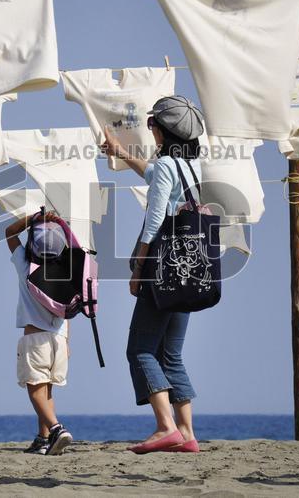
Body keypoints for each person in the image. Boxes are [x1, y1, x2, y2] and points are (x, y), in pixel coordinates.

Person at [100, 95, 206, 454]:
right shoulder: (192, 167)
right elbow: (152, 174)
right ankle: (188, 434)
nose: (151, 130)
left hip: (162, 271)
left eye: (152, 124)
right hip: (189, 271)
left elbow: (156, 218)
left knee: (140, 350)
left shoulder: (166, 167)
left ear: (161, 130)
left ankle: (165, 427)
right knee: (171, 353)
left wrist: (139, 269)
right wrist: (120, 151)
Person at [5, 210, 74, 455]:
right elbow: (68, 309)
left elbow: (9, 232)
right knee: (47, 391)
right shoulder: (67, 268)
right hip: (59, 338)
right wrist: (67, 340)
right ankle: (43, 439)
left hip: (35, 339)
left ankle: (56, 429)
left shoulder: (26, 266)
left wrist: (33, 218)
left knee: (35, 389)